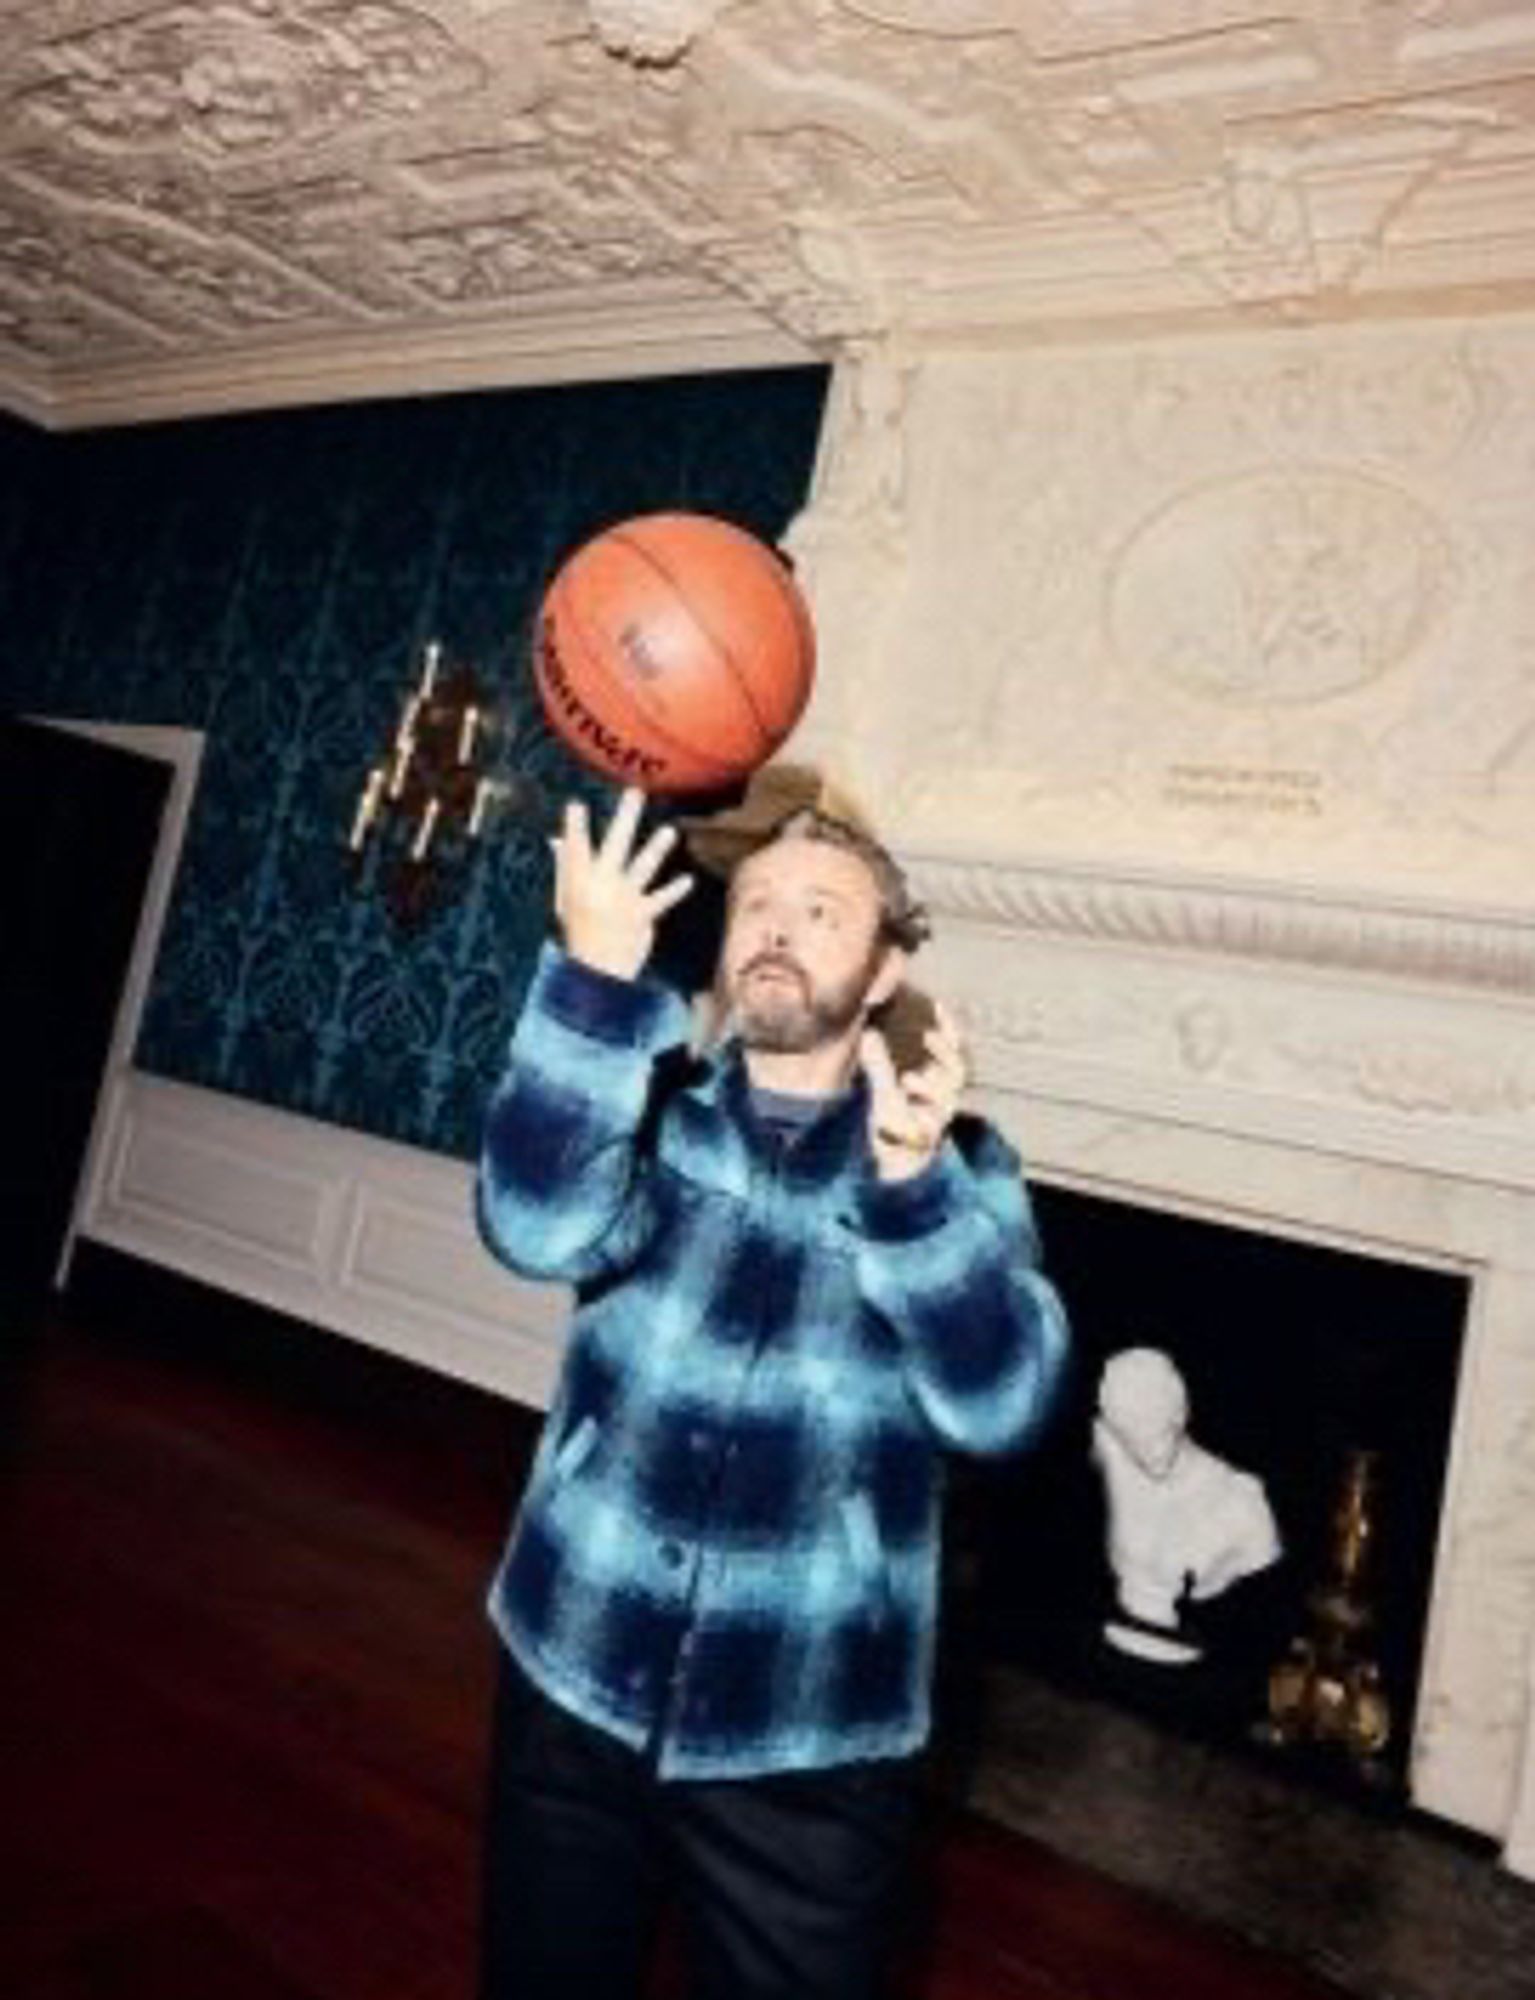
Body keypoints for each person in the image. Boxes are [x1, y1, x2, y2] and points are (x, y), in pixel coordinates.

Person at [474, 771, 1069, 2000]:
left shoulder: (957, 1166)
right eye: (755, 903)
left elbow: (1003, 1406)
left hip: (806, 1722)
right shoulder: (646, 1112)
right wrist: (590, 979)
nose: (777, 931)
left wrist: (906, 1199)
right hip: (572, 1660)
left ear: (885, 971)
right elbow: (532, 1226)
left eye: (820, 911)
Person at [1092, 1346, 1281, 1666]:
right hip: (1118, 1639)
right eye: (1130, 1434)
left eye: (1154, 1430)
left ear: (1181, 1412)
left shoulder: (1240, 1503)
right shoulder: (1113, 1456)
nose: (1145, 1449)